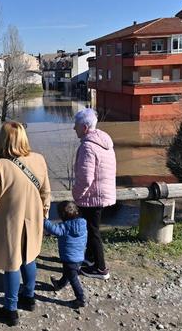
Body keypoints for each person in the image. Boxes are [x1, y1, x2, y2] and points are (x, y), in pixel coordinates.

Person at [0, 121, 51, 326]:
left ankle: (10, 311)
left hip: (10, 224)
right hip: (33, 220)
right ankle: (29, 298)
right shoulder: (39, 159)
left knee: (12, 263)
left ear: (3, 140)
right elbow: (46, 192)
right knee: (29, 256)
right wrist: (44, 214)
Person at [72, 108, 116, 280]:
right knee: (92, 228)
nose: (73, 128)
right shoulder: (104, 142)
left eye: (75, 125)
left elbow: (85, 179)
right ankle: (90, 259)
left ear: (84, 128)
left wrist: (76, 194)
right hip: (102, 193)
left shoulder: (88, 147)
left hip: (92, 195)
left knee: (92, 231)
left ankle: (100, 268)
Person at [44, 201, 87, 308]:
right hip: (79, 257)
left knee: (73, 278)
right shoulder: (83, 223)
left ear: (62, 215)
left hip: (69, 258)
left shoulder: (65, 227)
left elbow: (54, 230)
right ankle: (59, 284)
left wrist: (44, 220)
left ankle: (80, 298)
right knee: (68, 273)